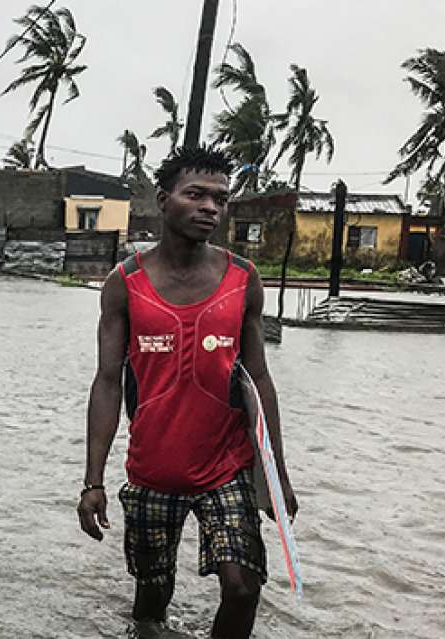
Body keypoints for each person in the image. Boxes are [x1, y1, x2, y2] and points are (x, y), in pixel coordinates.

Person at [76, 145, 298, 639]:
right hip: (154, 468)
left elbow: (259, 379)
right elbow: (107, 382)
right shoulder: (124, 283)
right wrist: (93, 483)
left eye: (219, 199)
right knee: (152, 602)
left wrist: (276, 475)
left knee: (243, 587)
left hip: (227, 466)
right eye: (196, 195)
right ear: (163, 199)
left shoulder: (243, 278)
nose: (210, 208)